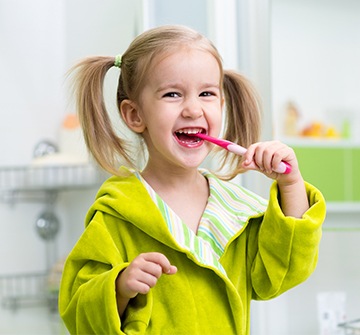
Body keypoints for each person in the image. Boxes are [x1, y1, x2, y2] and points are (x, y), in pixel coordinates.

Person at [59, 25, 326, 335]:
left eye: (207, 94)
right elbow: (78, 312)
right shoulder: (116, 215)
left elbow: (282, 272)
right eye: (172, 94)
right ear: (135, 115)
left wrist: (290, 185)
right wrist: (119, 287)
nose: (193, 108)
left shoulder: (236, 211)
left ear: (221, 106)